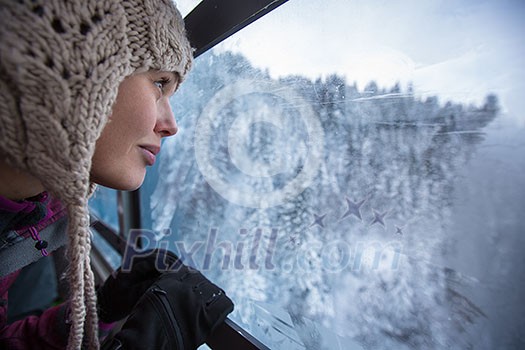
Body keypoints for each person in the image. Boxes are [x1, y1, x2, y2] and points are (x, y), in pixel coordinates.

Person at [0, 0, 234, 349]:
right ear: (74, 67)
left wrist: (103, 307)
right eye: (159, 83)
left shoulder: (24, 213)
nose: (171, 125)